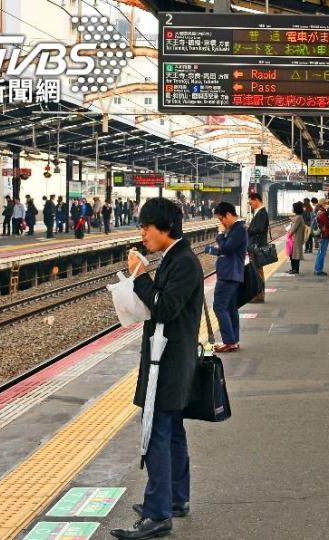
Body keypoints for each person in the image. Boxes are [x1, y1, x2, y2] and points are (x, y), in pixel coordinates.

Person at [110, 198, 202, 540]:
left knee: (158, 434)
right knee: (172, 431)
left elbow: (164, 308)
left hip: (170, 364)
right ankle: (175, 499)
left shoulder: (183, 263)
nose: (142, 233)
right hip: (170, 360)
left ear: (165, 228)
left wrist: (142, 277)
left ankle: (157, 515)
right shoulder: (176, 258)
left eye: (147, 227)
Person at [211, 202, 247, 353]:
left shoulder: (238, 230)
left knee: (219, 306)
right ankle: (233, 340)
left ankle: (229, 341)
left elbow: (226, 248)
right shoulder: (235, 229)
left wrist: (220, 235)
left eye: (221, 219)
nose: (221, 223)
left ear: (229, 215)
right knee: (231, 308)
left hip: (229, 274)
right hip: (231, 273)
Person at [246, 193, 270, 303]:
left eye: (251, 202)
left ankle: (259, 295)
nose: (250, 205)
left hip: (257, 247)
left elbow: (259, 229)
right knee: (257, 270)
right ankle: (259, 294)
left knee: (257, 271)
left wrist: (247, 230)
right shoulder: (261, 212)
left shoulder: (261, 213)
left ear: (256, 200)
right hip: (257, 246)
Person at [313, 200, 329, 276]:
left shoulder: (319, 212)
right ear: (323, 204)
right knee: (322, 253)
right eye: (327, 204)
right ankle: (318, 270)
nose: (328, 205)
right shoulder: (323, 213)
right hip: (324, 235)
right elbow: (328, 224)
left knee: (320, 252)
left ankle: (317, 268)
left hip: (322, 234)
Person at [287, 201, 305, 275]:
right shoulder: (299, 217)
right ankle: (293, 269)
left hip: (296, 239)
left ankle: (295, 270)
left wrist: (288, 234)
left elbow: (293, 229)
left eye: (293, 207)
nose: (292, 209)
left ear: (296, 209)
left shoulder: (298, 218)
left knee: (295, 254)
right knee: (293, 254)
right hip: (296, 238)